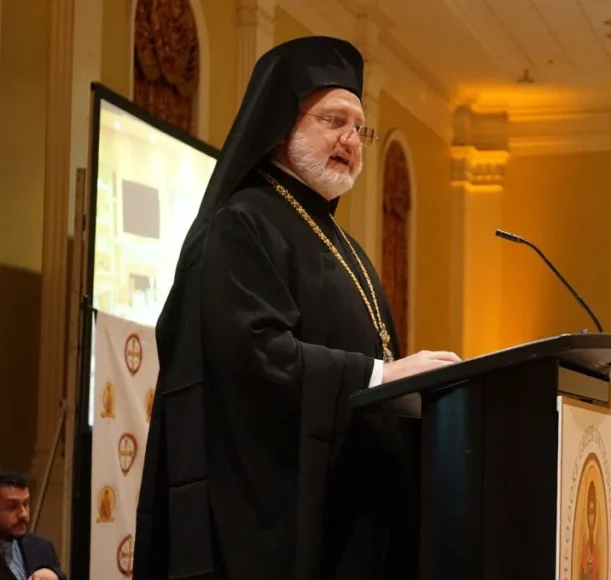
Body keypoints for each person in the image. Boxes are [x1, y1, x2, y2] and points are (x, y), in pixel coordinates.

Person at [133, 36, 461, 580]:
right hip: (275, 527)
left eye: (360, 128)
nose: (351, 140)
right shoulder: (241, 224)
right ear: (282, 121)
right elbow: (251, 359)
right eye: (334, 120)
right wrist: (382, 375)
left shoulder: (346, 247)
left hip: (355, 516)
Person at [0, 469, 65, 580]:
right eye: (12, 507)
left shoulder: (42, 547)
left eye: (25, 504)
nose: (23, 514)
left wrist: (55, 576)